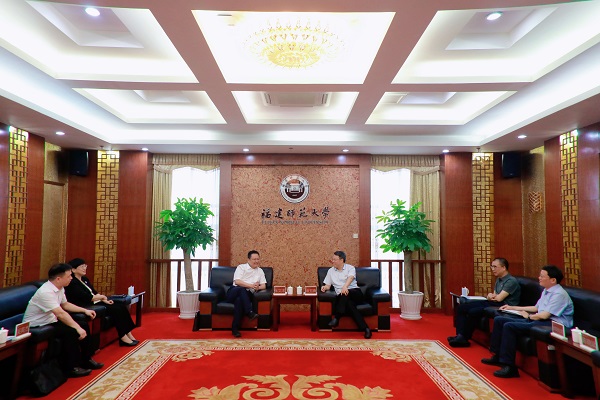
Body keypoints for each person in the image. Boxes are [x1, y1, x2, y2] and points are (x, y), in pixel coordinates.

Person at [481, 265, 574, 378]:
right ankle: (497, 355)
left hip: (552, 325)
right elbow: (536, 308)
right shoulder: (547, 290)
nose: (539, 278)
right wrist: (512, 307)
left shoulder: (559, 294)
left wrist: (529, 317)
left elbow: (544, 315)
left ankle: (509, 366)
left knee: (509, 326)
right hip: (541, 320)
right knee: (499, 320)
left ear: (553, 280)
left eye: (542, 276)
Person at [23, 263, 104, 377]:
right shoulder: (46, 292)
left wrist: (84, 310)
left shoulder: (60, 288)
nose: (71, 278)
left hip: (51, 321)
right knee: (71, 331)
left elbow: (65, 305)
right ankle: (71, 367)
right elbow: (60, 313)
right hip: (39, 325)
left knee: (83, 324)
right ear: (58, 279)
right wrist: (77, 328)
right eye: (69, 276)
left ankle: (86, 359)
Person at [65, 258, 138, 347]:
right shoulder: (72, 283)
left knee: (120, 306)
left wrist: (105, 300)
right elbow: (87, 297)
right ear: (73, 269)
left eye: (85, 266)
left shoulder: (84, 279)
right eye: (82, 266)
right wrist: (102, 297)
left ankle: (128, 333)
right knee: (116, 310)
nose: (84, 268)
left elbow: (94, 292)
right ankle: (123, 337)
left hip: (95, 301)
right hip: (86, 304)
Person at [448, 257, 521, 347]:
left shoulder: (511, 281)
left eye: (495, 267)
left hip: (503, 306)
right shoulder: (499, 279)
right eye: (491, 266)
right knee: (461, 308)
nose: (492, 269)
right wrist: (490, 296)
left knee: (473, 311)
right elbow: (494, 295)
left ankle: (464, 338)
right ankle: (460, 336)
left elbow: (499, 298)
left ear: (503, 267)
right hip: (494, 303)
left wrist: (491, 296)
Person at [321, 251, 372, 339]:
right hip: (342, 296)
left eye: (335, 259)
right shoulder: (330, 271)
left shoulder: (350, 268)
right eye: (332, 259)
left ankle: (337, 318)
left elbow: (350, 278)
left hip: (355, 292)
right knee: (349, 304)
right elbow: (328, 285)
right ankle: (366, 329)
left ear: (342, 260)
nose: (332, 261)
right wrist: (324, 287)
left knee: (345, 293)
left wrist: (345, 287)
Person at [226, 250, 266, 338]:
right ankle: (249, 312)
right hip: (234, 291)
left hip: (247, 295)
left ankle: (235, 329)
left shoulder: (260, 271)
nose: (256, 261)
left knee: (239, 301)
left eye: (258, 259)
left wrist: (257, 288)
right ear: (248, 260)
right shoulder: (241, 267)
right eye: (254, 259)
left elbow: (264, 286)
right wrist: (251, 285)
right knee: (241, 289)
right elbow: (237, 281)